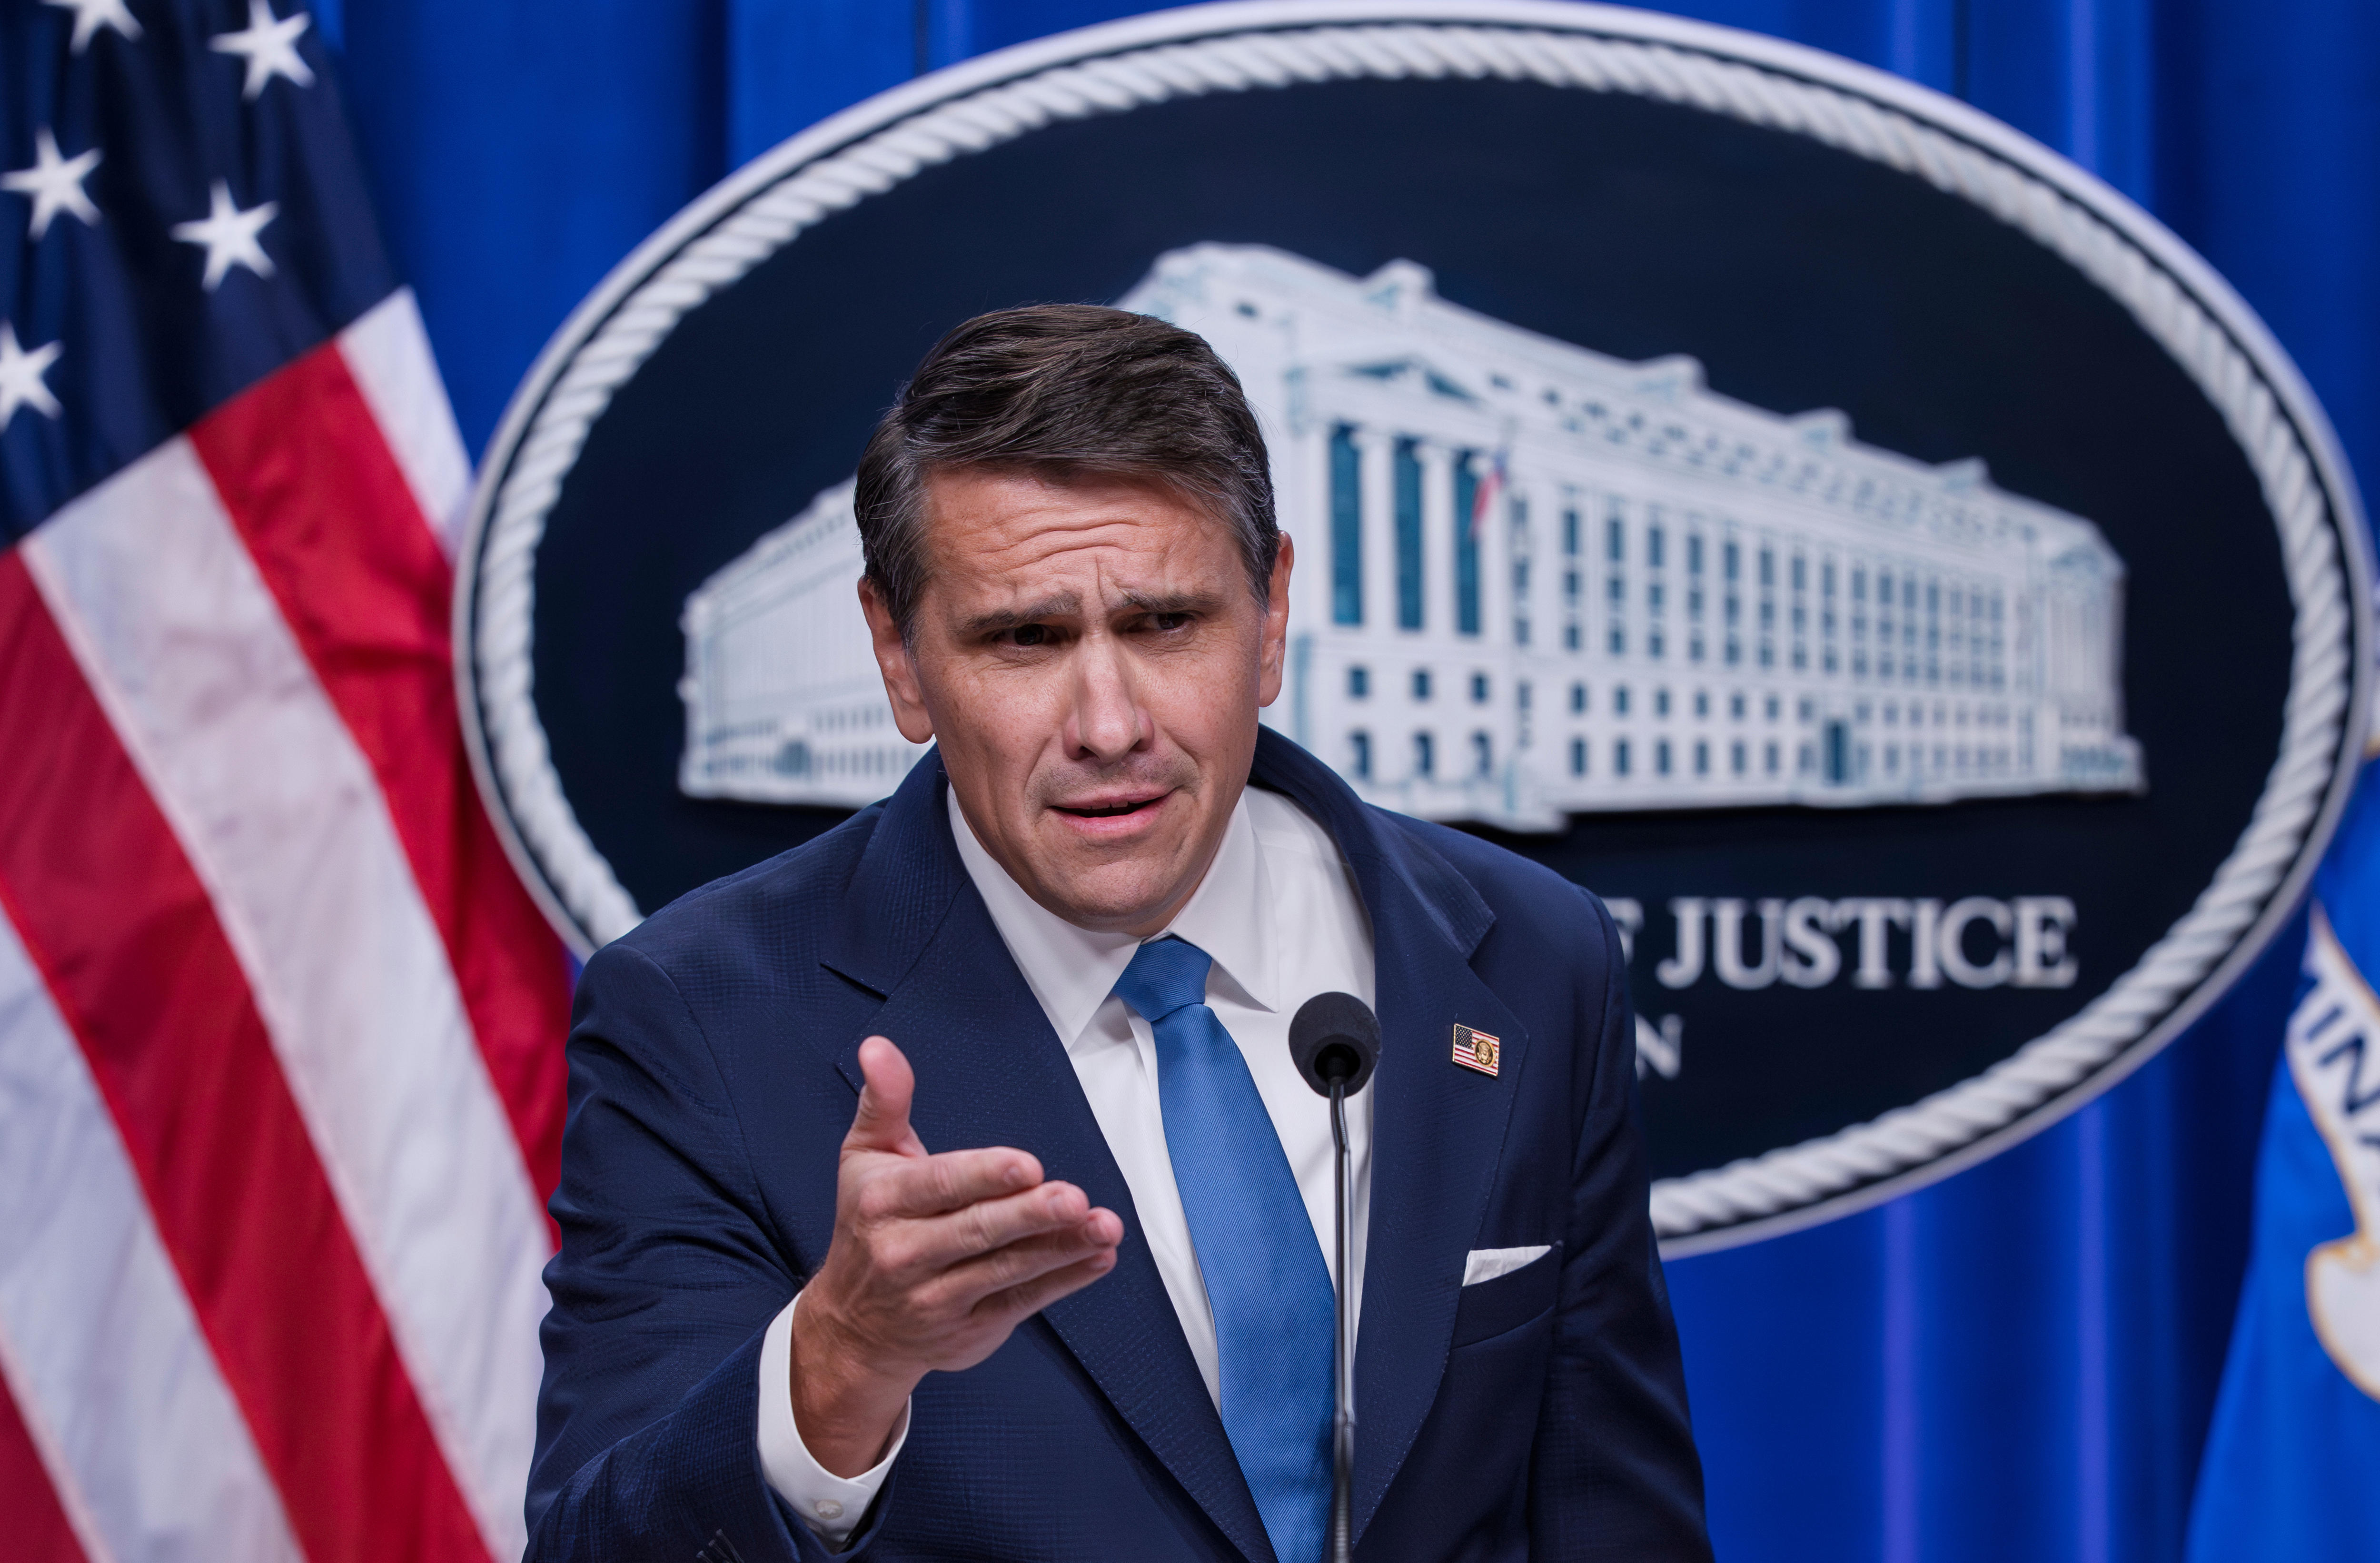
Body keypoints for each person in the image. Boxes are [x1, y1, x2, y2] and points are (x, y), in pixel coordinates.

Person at [526, 305, 1710, 1562]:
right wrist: (838, 1364)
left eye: (1164, 624)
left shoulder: (1529, 954)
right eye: (1025, 638)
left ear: (1271, 614)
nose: (1108, 725)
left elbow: (1615, 1522)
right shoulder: (702, 1017)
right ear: (900, 656)